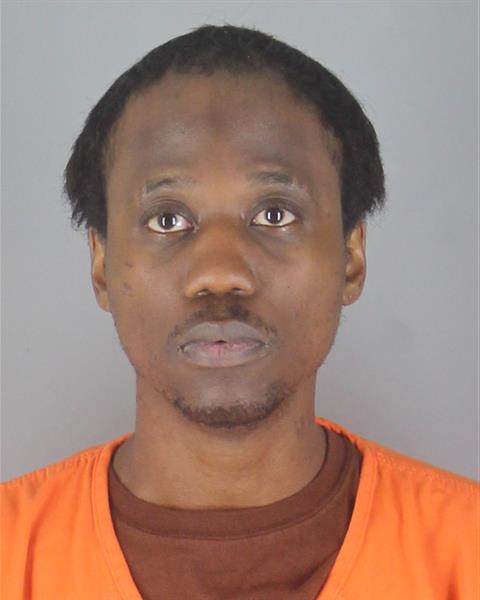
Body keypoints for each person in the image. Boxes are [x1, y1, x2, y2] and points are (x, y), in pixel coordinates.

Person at [1, 24, 477, 600]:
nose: (220, 272)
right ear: (101, 265)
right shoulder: (12, 554)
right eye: (167, 219)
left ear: (350, 257)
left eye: (275, 214)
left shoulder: (465, 549)